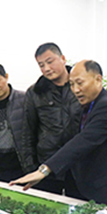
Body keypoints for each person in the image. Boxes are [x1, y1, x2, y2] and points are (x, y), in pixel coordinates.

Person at [11, 60, 107, 210]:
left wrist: (44, 170)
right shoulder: (89, 105)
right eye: (71, 84)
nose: (76, 90)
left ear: (98, 80)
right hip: (93, 187)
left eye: (80, 83)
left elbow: (82, 142)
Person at [22, 43, 82, 196]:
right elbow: (27, 133)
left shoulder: (80, 86)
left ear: (63, 59)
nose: (47, 68)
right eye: (41, 65)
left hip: (79, 164)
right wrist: (31, 168)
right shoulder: (35, 93)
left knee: (80, 206)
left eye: (50, 62)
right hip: (47, 164)